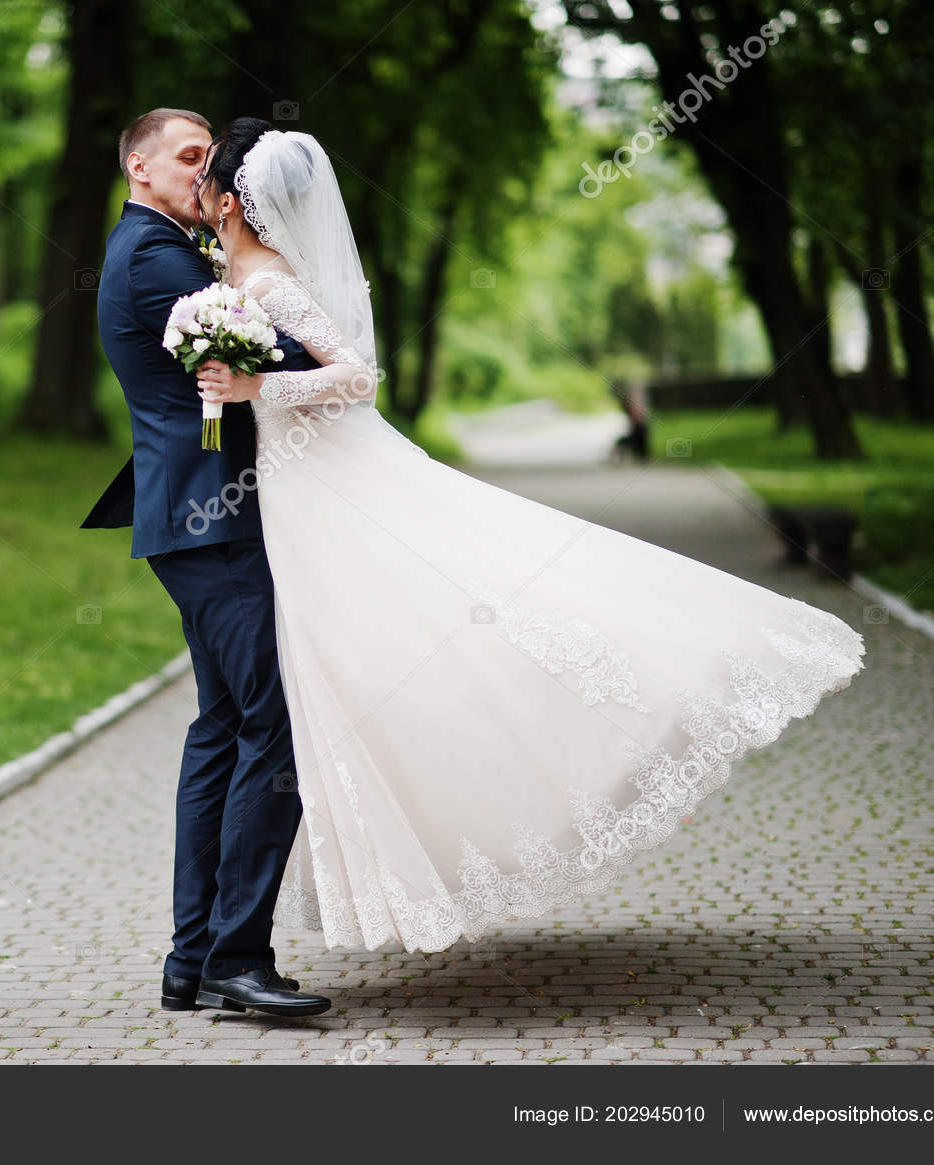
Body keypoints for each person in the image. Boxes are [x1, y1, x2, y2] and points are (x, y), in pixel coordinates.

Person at [190, 118, 867, 954]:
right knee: (349, 677)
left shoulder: (271, 288)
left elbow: (359, 377)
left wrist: (259, 382)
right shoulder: (235, 281)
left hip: (323, 488)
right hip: (291, 493)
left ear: (233, 203)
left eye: (209, 187)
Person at [81, 108, 332, 1017]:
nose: (202, 172)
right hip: (210, 528)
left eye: (208, 159)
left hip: (195, 524)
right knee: (279, 729)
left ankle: (195, 960)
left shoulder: (164, 252)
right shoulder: (160, 261)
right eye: (187, 157)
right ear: (138, 167)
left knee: (224, 732)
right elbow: (298, 356)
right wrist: (290, 295)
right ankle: (237, 955)